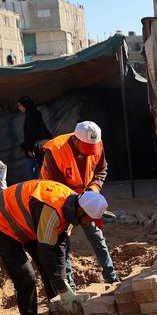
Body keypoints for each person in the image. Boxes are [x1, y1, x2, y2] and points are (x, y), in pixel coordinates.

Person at [0, 178, 107, 315]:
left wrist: (63, 285)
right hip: (2, 217)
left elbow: (60, 247)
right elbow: (45, 252)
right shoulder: (52, 210)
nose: (90, 223)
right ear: (81, 212)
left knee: (53, 270)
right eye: (90, 219)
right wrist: (63, 290)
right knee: (26, 278)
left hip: (27, 221)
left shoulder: (71, 209)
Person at [40, 121, 119, 284]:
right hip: (59, 202)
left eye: (93, 149)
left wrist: (94, 190)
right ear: (75, 140)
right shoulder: (55, 152)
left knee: (97, 237)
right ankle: (69, 285)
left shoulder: (96, 143)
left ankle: (111, 277)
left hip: (85, 198)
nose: (91, 153)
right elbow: (55, 187)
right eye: (87, 149)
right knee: (63, 244)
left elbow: (101, 170)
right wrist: (77, 206)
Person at [17, 97, 53, 180]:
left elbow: (32, 133)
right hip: (39, 147)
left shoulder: (31, 117)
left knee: (35, 174)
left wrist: (30, 148)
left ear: (25, 105)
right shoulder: (33, 115)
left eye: (20, 105)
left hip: (37, 149)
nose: (19, 108)